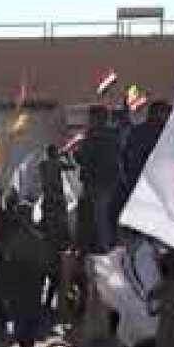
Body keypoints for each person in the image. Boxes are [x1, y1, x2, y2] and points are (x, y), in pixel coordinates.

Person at [0, 200, 51, 347]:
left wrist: (5, 291)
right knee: (28, 328)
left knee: (22, 329)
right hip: (34, 291)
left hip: (20, 292)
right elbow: (46, 267)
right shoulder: (39, 238)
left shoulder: (15, 239)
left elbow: (8, 267)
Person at [75, 104, 123, 253]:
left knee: (99, 218)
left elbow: (84, 158)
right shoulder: (114, 135)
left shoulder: (92, 136)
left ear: (95, 119)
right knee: (110, 216)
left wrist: (78, 152)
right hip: (114, 182)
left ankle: (104, 247)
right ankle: (114, 245)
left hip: (96, 183)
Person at [120, 100, 173, 221]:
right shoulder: (167, 132)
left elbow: (125, 156)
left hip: (139, 181)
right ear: (160, 113)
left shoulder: (136, 131)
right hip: (162, 182)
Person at [39, 144, 76, 312]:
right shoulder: (56, 163)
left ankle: (47, 302)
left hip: (48, 204)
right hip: (56, 204)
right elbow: (72, 166)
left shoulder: (43, 165)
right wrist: (66, 155)